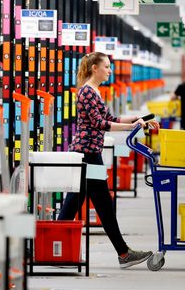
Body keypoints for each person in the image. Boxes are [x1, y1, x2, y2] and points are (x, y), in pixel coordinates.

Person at [57, 52, 159, 269]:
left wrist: (137, 120)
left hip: (89, 153)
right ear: (95, 67)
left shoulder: (94, 91)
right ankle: (123, 253)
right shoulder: (87, 91)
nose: (110, 71)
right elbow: (98, 124)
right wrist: (131, 127)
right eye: (107, 66)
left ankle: (54, 247)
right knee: (102, 203)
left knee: (75, 201)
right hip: (87, 155)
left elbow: (110, 119)